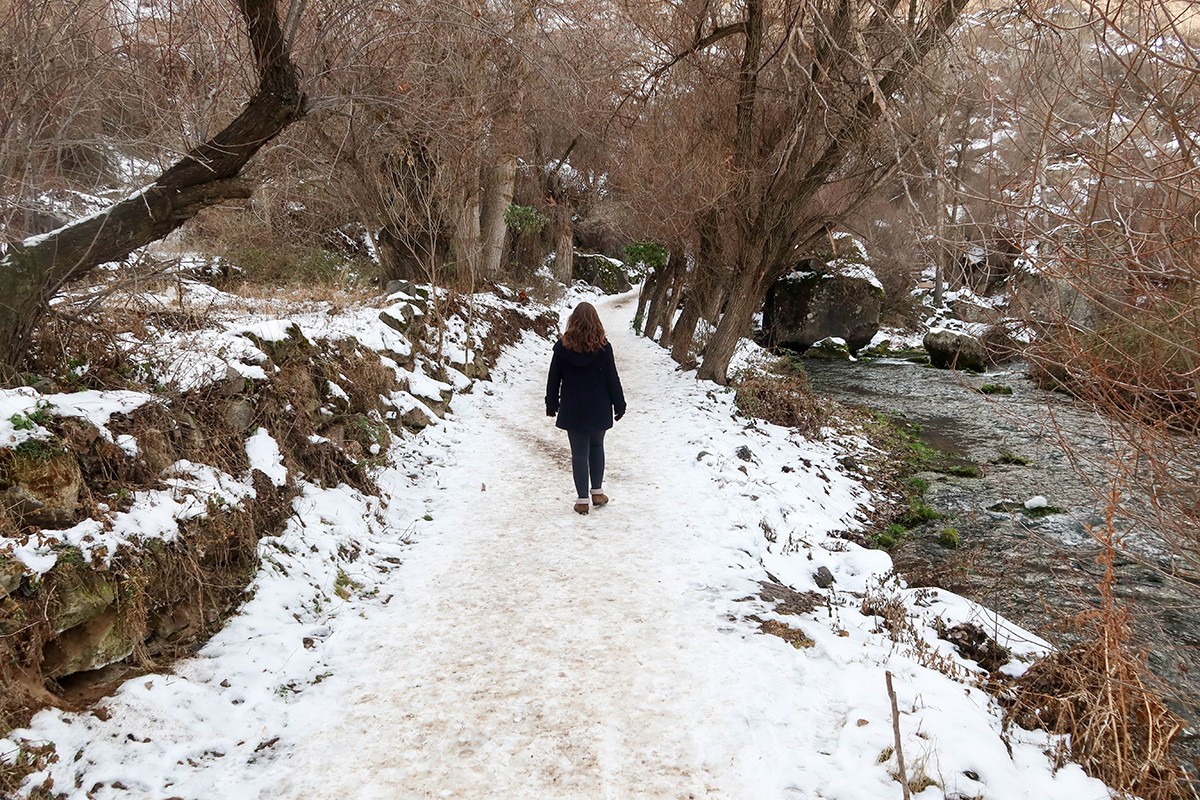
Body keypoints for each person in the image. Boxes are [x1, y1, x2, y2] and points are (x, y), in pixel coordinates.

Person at [545, 302, 627, 515]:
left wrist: (551, 404)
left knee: (579, 454)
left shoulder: (562, 349)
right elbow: (612, 379)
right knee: (597, 447)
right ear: (596, 322)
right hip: (599, 406)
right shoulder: (603, 348)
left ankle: (582, 500)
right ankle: (597, 493)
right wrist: (619, 404)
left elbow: (554, 380)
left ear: (573, 322)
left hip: (573, 407)